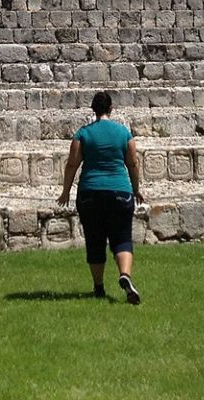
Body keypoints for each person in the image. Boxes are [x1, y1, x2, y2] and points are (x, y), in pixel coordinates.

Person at [58, 90, 142, 303]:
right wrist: (136, 189)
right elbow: (132, 163)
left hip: (90, 192)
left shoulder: (83, 134)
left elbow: (72, 164)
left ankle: (98, 287)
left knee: (95, 240)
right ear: (111, 109)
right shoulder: (123, 133)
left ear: (93, 110)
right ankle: (125, 274)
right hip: (120, 191)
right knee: (122, 238)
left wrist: (66, 191)